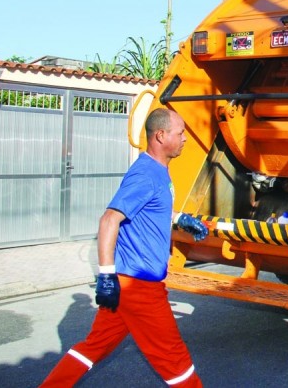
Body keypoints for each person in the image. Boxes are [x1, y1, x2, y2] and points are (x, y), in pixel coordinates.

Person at [41, 108, 209, 387]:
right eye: (180, 133)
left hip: (130, 284)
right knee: (175, 361)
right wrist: (106, 275)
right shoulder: (145, 174)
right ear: (160, 135)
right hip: (139, 286)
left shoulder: (157, 170)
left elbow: (146, 208)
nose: (185, 139)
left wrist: (180, 219)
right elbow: (110, 219)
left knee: (94, 346)